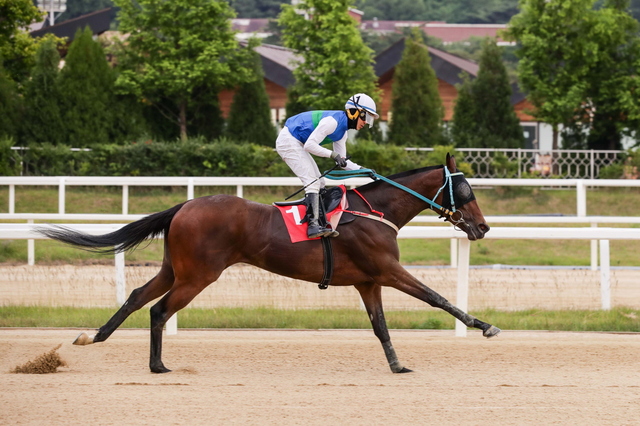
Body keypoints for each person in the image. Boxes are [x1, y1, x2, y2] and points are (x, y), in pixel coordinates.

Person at [276, 93, 379, 239]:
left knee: (321, 182)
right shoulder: (332, 122)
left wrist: (362, 170)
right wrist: (332, 155)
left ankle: (321, 221)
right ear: (355, 112)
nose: (366, 123)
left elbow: (343, 162)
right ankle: (313, 226)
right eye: (366, 117)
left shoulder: (342, 133)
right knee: (312, 182)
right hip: (288, 140)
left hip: (297, 142)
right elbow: (310, 145)